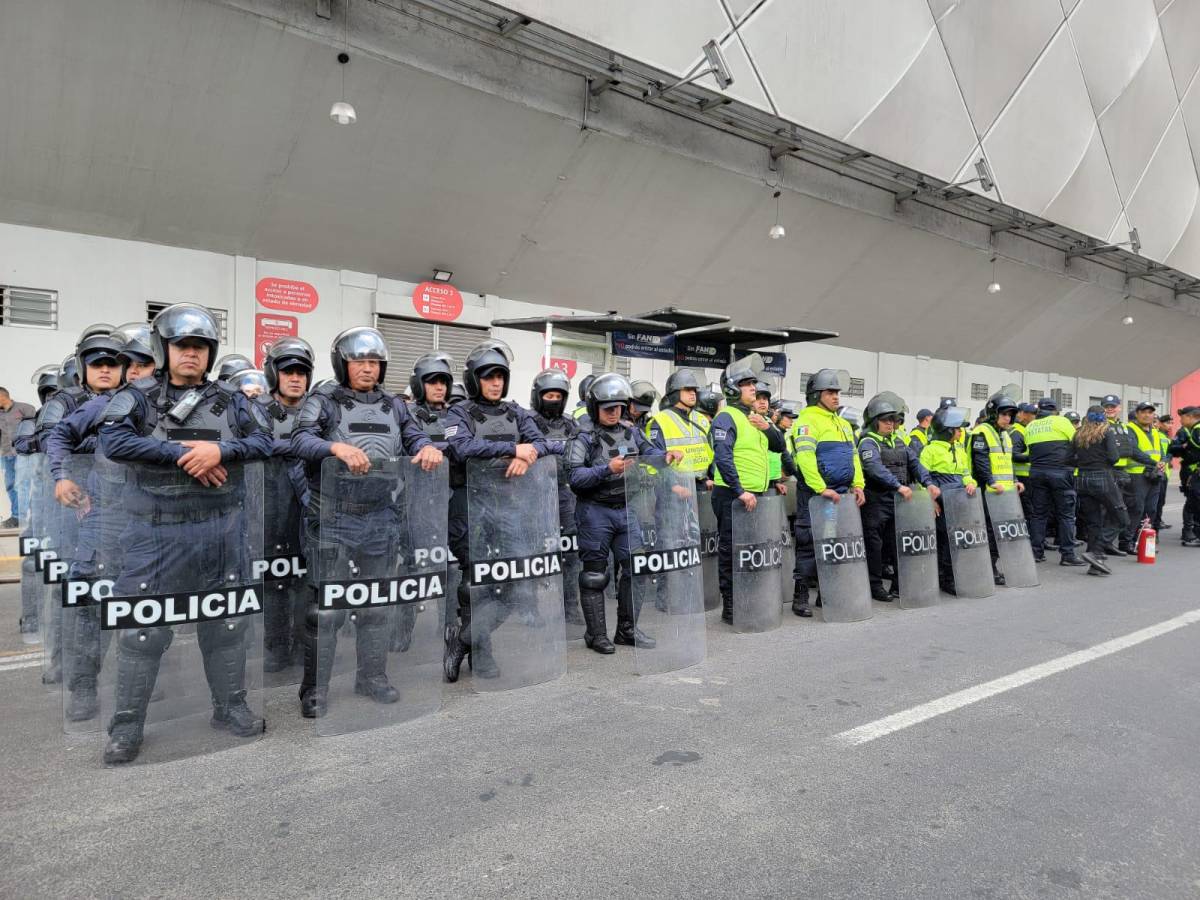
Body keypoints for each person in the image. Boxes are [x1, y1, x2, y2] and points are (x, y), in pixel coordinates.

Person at [98, 304, 273, 764]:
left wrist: (220, 449)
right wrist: (179, 452)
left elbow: (264, 442)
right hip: (155, 535)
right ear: (164, 350)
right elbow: (111, 441)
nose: (191, 354)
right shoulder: (137, 396)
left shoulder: (231, 400)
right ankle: (127, 727)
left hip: (219, 532)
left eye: (199, 347)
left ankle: (230, 707)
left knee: (226, 625)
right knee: (142, 632)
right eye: (182, 346)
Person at [289, 328, 441, 717]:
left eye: (374, 362)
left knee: (376, 605)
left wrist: (425, 448)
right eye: (360, 362)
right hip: (333, 516)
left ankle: (371, 677)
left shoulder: (395, 405)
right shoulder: (322, 401)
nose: (368, 369)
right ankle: (315, 689)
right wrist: (334, 446)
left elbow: (414, 436)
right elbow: (299, 441)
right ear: (344, 364)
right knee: (326, 609)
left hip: (380, 517)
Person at [441, 341, 553, 682]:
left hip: (509, 506)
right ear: (474, 380)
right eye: (488, 377)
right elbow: (461, 448)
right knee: (475, 582)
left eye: (500, 377)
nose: (495, 383)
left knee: (515, 582)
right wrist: (512, 448)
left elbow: (545, 442)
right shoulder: (457, 413)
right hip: (469, 507)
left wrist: (526, 452)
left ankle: (462, 640)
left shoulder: (516, 411)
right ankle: (483, 653)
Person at [567, 374, 676, 652]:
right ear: (595, 407)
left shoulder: (631, 431)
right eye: (607, 408)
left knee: (637, 569)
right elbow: (575, 477)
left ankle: (627, 630)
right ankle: (596, 635)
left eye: (618, 407)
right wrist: (607, 469)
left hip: (626, 510)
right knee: (594, 575)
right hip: (595, 512)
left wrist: (665, 457)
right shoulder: (583, 436)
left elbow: (649, 452)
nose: (614, 412)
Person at [711, 359, 788, 622]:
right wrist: (740, 490)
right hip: (733, 495)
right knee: (731, 549)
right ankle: (731, 604)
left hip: (756, 495)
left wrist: (767, 426)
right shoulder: (726, 417)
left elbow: (778, 446)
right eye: (746, 384)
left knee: (751, 549)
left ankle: (749, 597)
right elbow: (722, 457)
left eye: (753, 383)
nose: (753, 388)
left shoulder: (756, 418)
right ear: (732, 389)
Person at [787, 369, 865, 616]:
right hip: (814, 495)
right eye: (830, 392)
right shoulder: (807, 421)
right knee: (809, 542)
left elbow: (854, 457)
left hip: (840, 495)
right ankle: (800, 595)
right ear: (816, 394)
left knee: (832, 542)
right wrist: (821, 488)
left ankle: (826, 592)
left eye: (837, 392)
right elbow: (805, 458)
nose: (836, 397)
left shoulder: (842, 424)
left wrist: (859, 485)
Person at [258, 337, 314, 674]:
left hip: (309, 507)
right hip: (270, 504)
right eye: (288, 371)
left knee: (305, 580)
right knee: (274, 581)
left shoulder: (317, 409)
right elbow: (252, 444)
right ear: (274, 374)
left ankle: (302, 643)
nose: (295, 378)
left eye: (301, 372)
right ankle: (276, 647)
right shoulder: (255, 409)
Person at [858, 393, 938, 601]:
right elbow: (874, 468)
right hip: (876, 499)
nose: (890, 424)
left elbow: (914, 463)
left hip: (898, 500)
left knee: (897, 543)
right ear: (875, 421)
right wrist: (897, 486)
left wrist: (928, 483)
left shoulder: (899, 441)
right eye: (885, 420)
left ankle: (898, 585)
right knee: (874, 545)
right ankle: (874, 586)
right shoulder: (868, 442)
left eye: (893, 420)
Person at [529, 368, 585, 629]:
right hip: (533, 495)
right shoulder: (526, 422)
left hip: (565, 494)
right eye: (548, 394)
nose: (553, 399)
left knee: (569, 554)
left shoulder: (572, 424)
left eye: (558, 395)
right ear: (538, 396)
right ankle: (531, 608)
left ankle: (570, 606)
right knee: (534, 553)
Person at [918, 407, 977, 595]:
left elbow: (966, 474)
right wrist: (931, 501)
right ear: (947, 431)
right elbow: (922, 479)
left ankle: (952, 575)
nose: (961, 432)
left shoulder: (959, 450)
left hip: (959, 502)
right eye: (958, 429)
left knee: (956, 541)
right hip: (941, 505)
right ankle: (944, 578)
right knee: (944, 541)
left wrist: (971, 484)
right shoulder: (930, 450)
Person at [1024, 398, 1087, 566]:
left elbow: (1028, 448)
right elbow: (1078, 442)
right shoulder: (1061, 421)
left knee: (1038, 515)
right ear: (1055, 410)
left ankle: (1036, 553)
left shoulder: (1030, 426)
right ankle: (1067, 555)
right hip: (1060, 473)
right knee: (1066, 515)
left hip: (1036, 473)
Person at [969, 392, 1023, 585]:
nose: (1008, 418)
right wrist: (991, 481)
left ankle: (992, 566)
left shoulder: (1004, 435)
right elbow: (981, 461)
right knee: (990, 532)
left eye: (1010, 415)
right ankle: (988, 569)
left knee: (1000, 532)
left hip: (1003, 493)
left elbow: (1007, 461)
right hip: (987, 491)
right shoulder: (982, 432)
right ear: (994, 414)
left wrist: (1016, 479)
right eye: (1004, 414)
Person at [1073, 407, 1126, 575]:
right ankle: (1096, 552)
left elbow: (1066, 458)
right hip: (1102, 477)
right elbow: (1114, 458)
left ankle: (1095, 566)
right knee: (1122, 517)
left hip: (1081, 479)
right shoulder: (1106, 431)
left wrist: (1084, 464)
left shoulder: (1078, 434)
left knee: (1094, 522)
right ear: (1103, 417)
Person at [1100, 394, 1154, 555]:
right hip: (1106, 471)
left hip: (1121, 473)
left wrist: (1151, 462)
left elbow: (1130, 450)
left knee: (1122, 509)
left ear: (1119, 408)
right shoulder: (1099, 425)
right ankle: (1099, 546)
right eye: (1107, 406)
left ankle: (1105, 543)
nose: (1110, 409)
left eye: (1113, 406)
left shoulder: (1122, 427)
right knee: (1111, 511)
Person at [1123, 402, 1167, 545]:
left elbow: (1161, 452)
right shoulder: (1130, 429)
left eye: (1150, 412)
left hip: (1153, 475)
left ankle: (1142, 541)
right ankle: (1127, 541)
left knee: (1151, 510)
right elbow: (1133, 451)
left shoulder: (1155, 431)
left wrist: (1162, 461)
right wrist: (1154, 462)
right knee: (1136, 509)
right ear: (1137, 414)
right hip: (1136, 475)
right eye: (1143, 412)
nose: (1147, 415)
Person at [0, 387, 37, 527]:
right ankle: (17, 516)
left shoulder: (25, 408)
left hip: (23, 455)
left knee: (22, 485)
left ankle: (19, 517)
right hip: (5, 455)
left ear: (2, 396)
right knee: (10, 485)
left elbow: (35, 429)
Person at [1169, 406, 1200, 546]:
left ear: (1191, 416)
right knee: (1193, 500)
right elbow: (1173, 448)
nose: (1180, 419)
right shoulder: (1189, 430)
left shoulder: (1197, 429)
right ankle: (1190, 532)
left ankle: (1192, 533)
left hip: (1194, 471)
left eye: (1182, 416)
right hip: (1192, 471)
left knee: (1193, 502)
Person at [1153, 414, 1173, 530]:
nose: (1170, 426)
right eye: (1167, 423)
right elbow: (1163, 455)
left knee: (1160, 501)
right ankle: (1155, 523)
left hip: (1164, 472)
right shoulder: (1159, 435)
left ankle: (1158, 521)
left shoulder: (1165, 436)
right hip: (1160, 471)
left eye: (1171, 423)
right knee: (1157, 501)